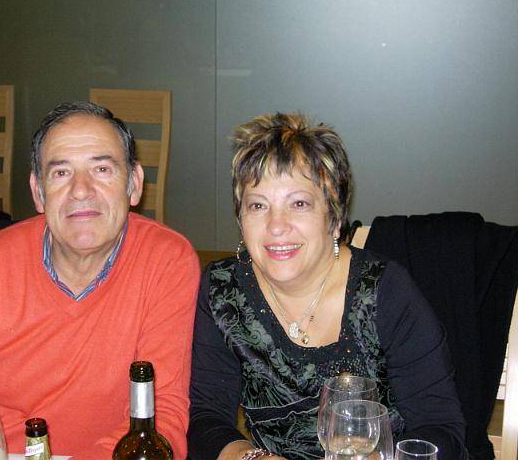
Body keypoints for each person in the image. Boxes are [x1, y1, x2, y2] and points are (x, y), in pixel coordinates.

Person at [0, 101, 200, 458]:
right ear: (38, 192)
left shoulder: (166, 261)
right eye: (61, 173)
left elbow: (161, 413)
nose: (81, 190)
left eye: (102, 169)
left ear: (134, 184)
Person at [187, 112, 467, 460]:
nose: (276, 226)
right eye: (258, 205)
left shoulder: (385, 291)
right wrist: (253, 457)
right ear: (240, 220)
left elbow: (441, 429)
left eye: (299, 203)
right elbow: (206, 417)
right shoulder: (223, 291)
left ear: (334, 218)